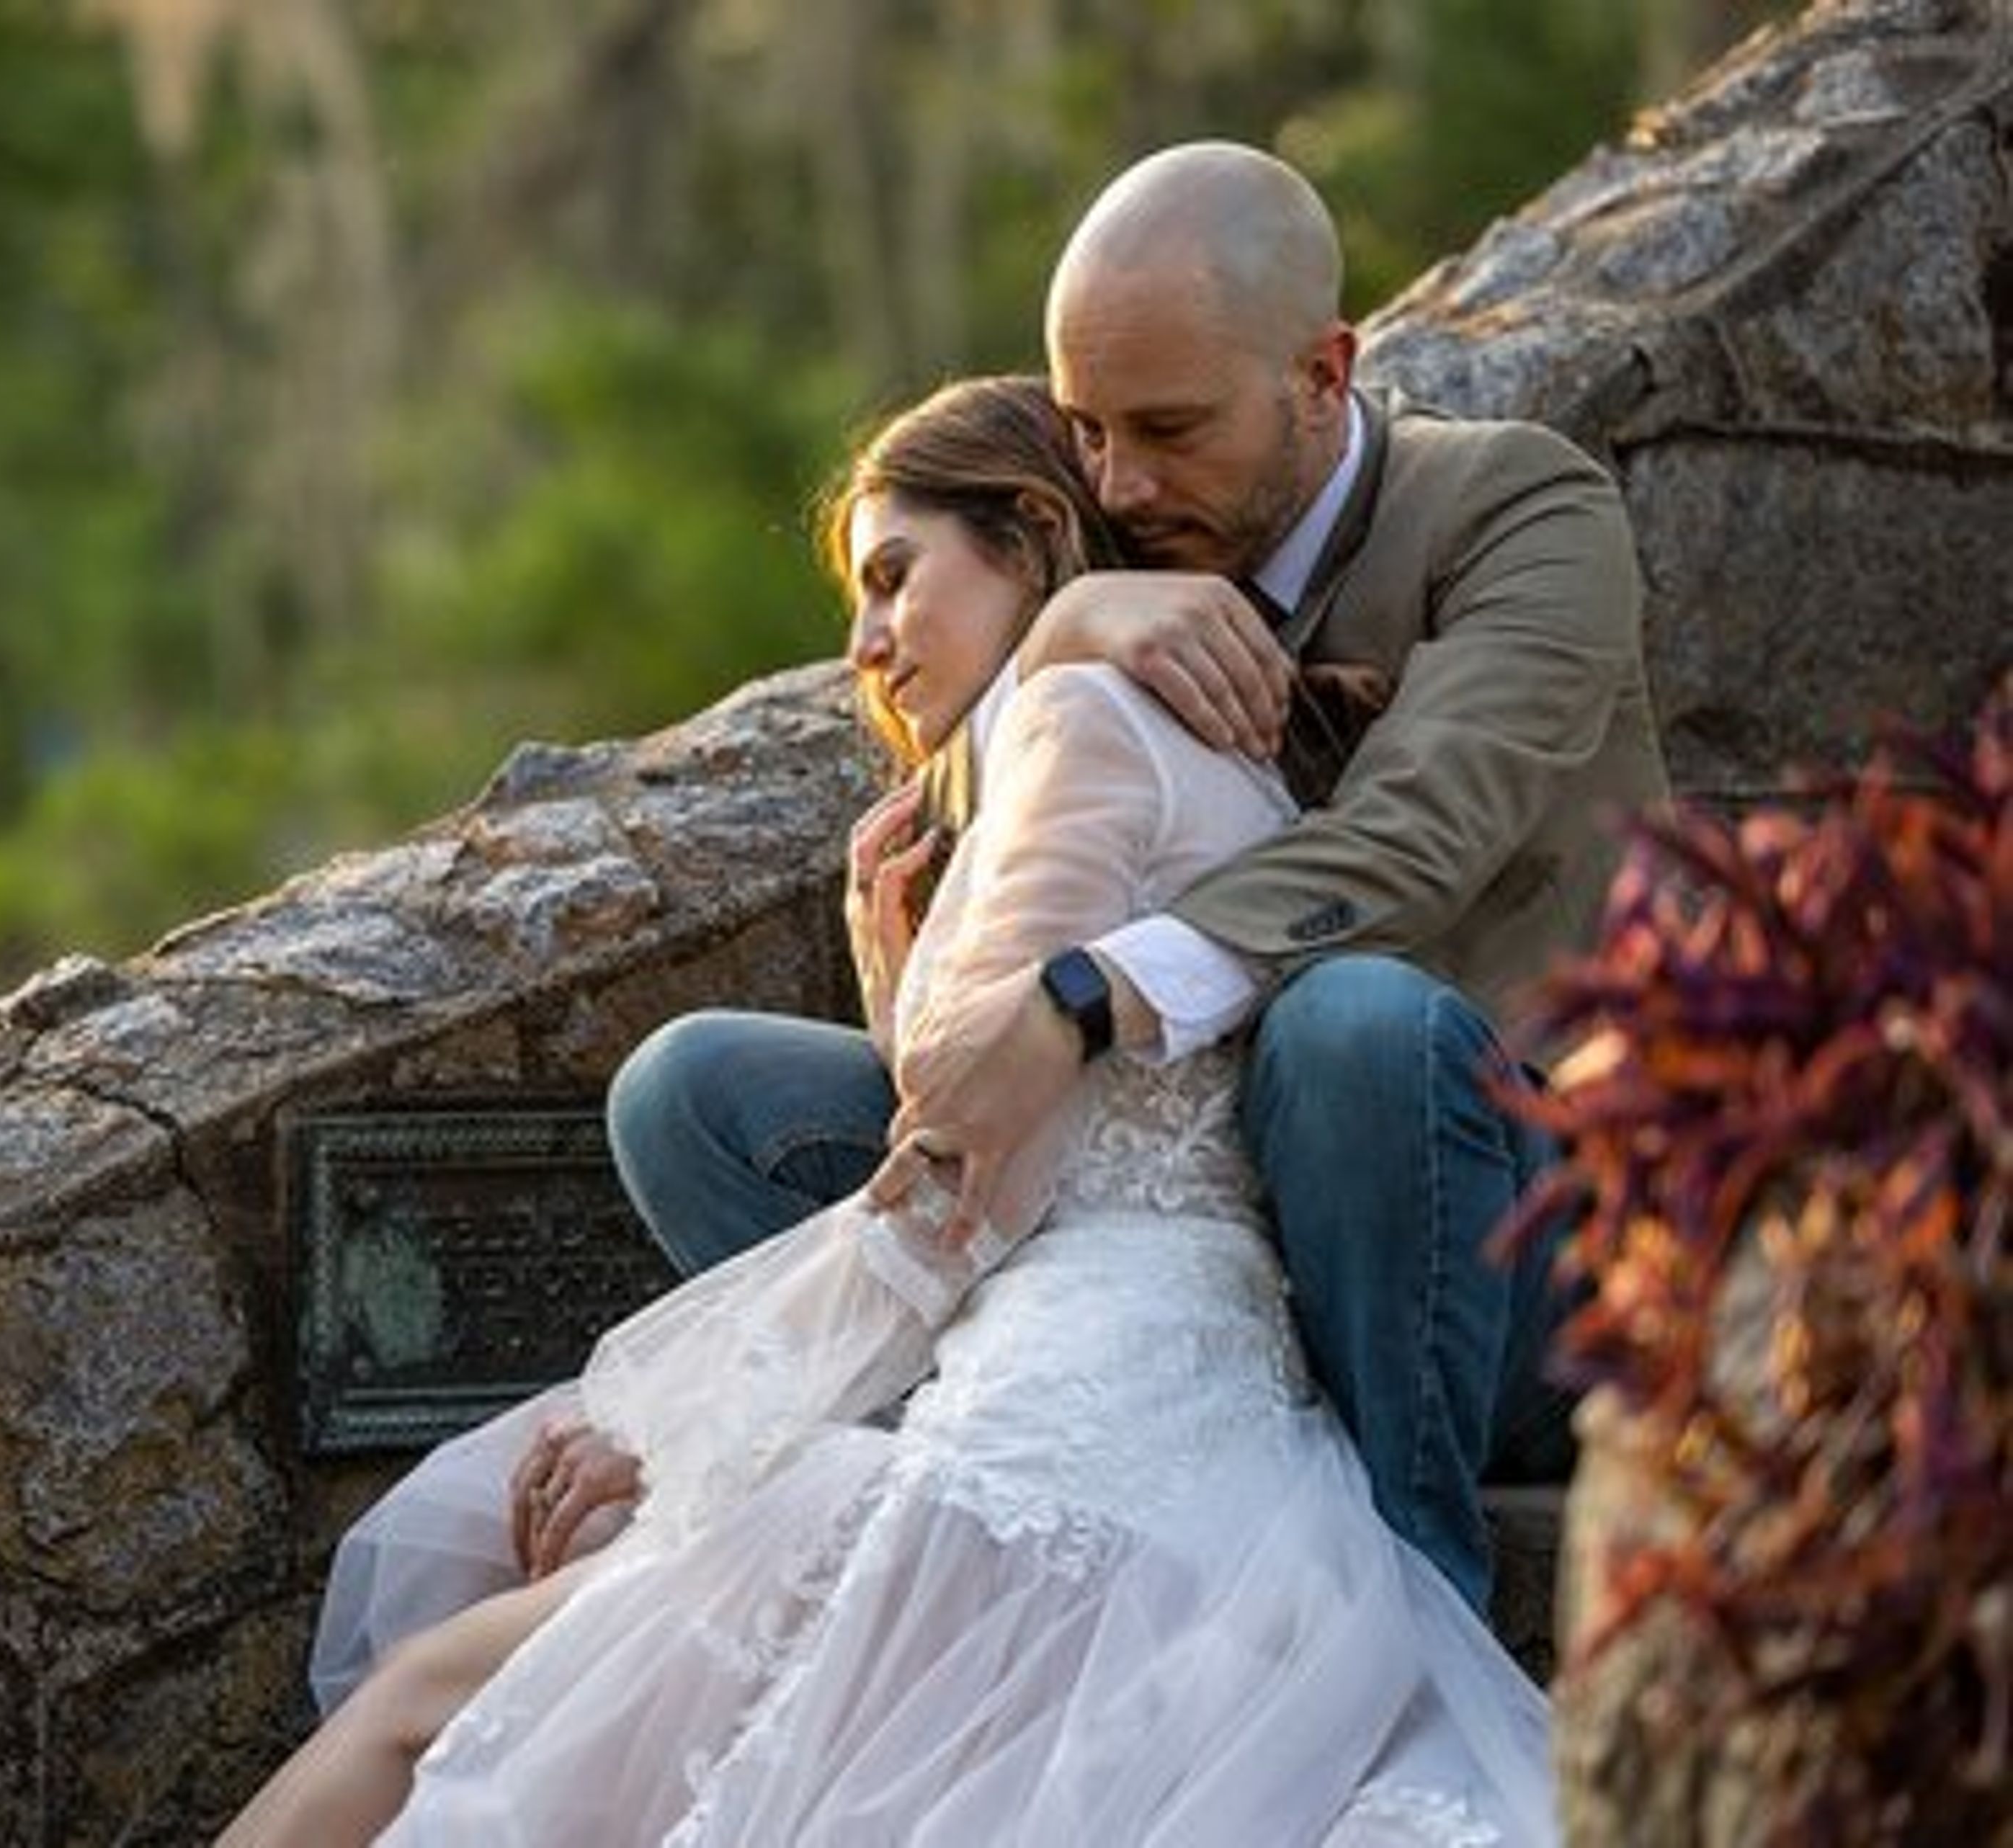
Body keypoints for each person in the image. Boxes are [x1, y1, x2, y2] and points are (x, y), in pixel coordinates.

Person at [222, 374, 1553, 1846]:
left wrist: (695, 1426)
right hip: (1197, 1423)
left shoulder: (1080, 719)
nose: (862, 645)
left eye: (894, 578)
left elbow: (964, 1185)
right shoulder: (1176, 736)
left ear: (1035, 539)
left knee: (434, 1703)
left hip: (1053, 1426)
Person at [610, 140, 1666, 1612]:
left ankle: (1413, 1596)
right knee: (698, 1090)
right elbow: (984, 805)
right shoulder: (1128, 548)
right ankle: (976, 1500)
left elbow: (1416, 839)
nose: (1120, 478)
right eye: (1090, 434)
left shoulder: (1517, 512)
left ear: (1323, 371)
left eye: (1167, 429)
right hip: (1197, 1247)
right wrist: (1065, 630)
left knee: (1354, 1021)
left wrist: (1075, 998)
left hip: (1496, 1241)